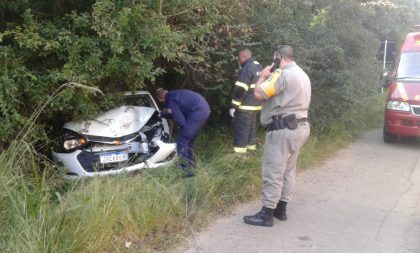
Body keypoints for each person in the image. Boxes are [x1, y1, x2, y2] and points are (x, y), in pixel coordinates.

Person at [243, 45, 311, 227]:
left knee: (273, 170)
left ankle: (267, 214)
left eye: (274, 59)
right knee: (288, 170)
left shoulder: (282, 74)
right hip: (300, 127)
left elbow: (259, 93)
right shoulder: (303, 74)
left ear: (278, 57)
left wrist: (262, 76)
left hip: (282, 129)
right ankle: (281, 209)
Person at [156, 88, 211, 177]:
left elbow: (181, 121)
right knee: (190, 140)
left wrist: (183, 130)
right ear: (166, 91)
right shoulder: (174, 94)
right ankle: (191, 166)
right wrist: (166, 113)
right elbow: (175, 111)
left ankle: (185, 171)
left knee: (182, 140)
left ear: (160, 99)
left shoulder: (170, 101)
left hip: (198, 111)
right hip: (204, 108)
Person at [230, 49, 263, 154]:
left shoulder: (246, 68)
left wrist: (234, 106)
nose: (239, 61)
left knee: (242, 131)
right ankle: (251, 152)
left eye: (239, 58)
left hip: (245, 107)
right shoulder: (259, 66)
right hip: (257, 106)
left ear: (243, 57)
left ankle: (240, 156)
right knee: (251, 131)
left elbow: (241, 89)